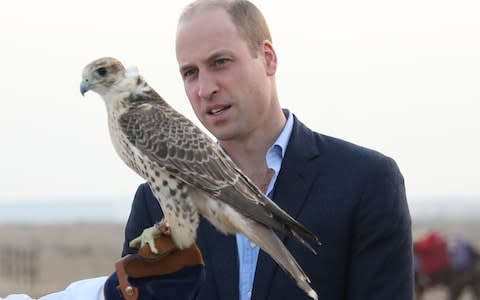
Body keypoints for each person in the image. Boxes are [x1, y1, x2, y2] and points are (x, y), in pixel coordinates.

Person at [122, 0, 414, 299]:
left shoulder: (366, 183)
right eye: (190, 73)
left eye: (220, 62)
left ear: (268, 59)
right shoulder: (155, 201)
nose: (204, 89)